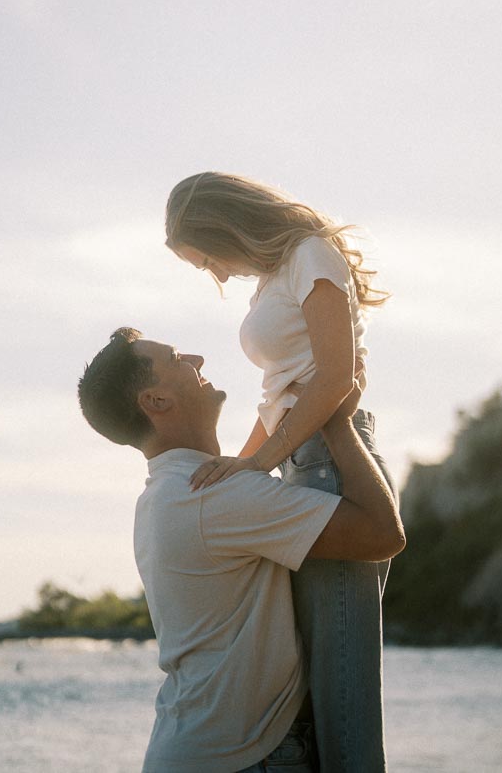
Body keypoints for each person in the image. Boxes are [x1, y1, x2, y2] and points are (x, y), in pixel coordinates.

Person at [77, 328, 404, 773]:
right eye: (176, 357)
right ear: (156, 401)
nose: (197, 358)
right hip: (246, 760)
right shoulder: (214, 499)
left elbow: (260, 449)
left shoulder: (165, 494)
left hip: (192, 752)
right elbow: (382, 535)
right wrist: (336, 422)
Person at [165, 171, 397, 773]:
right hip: (301, 461)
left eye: (206, 258)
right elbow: (281, 395)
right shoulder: (274, 276)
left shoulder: (310, 254)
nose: (214, 274)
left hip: (332, 462)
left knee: (342, 693)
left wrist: (258, 466)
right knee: (314, 692)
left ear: (222, 227)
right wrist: (243, 466)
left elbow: (335, 378)